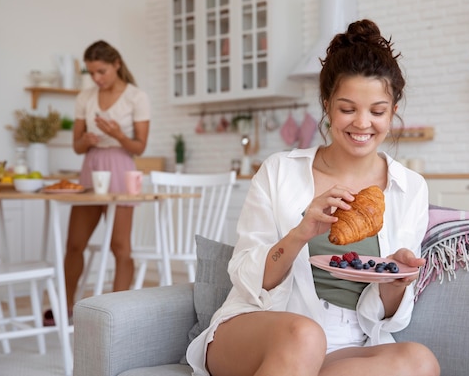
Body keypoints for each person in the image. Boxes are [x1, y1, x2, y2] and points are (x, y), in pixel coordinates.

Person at [186, 19, 440, 375]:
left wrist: (397, 279)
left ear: (393, 109)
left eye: (377, 111)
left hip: (349, 342)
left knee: (420, 362)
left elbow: (387, 316)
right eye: (348, 109)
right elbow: (247, 277)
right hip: (262, 326)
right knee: (304, 336)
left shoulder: (409, 187)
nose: (362, 124)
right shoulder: (279, 171)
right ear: (327, 105)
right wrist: (301, 231)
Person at [45, 40, 150, 325]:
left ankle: (118, 316)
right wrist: (86, 140)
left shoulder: (136, 97)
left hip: (120, 168)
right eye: (92, 73)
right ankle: (65, 307)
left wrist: (116, 134)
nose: (96, 78)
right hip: (90, 168)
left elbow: (139, 147)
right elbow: (77, 146)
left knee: (120, 247)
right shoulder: (86, 96)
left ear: (116, 64)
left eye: (101, 71)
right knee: (75, 244)